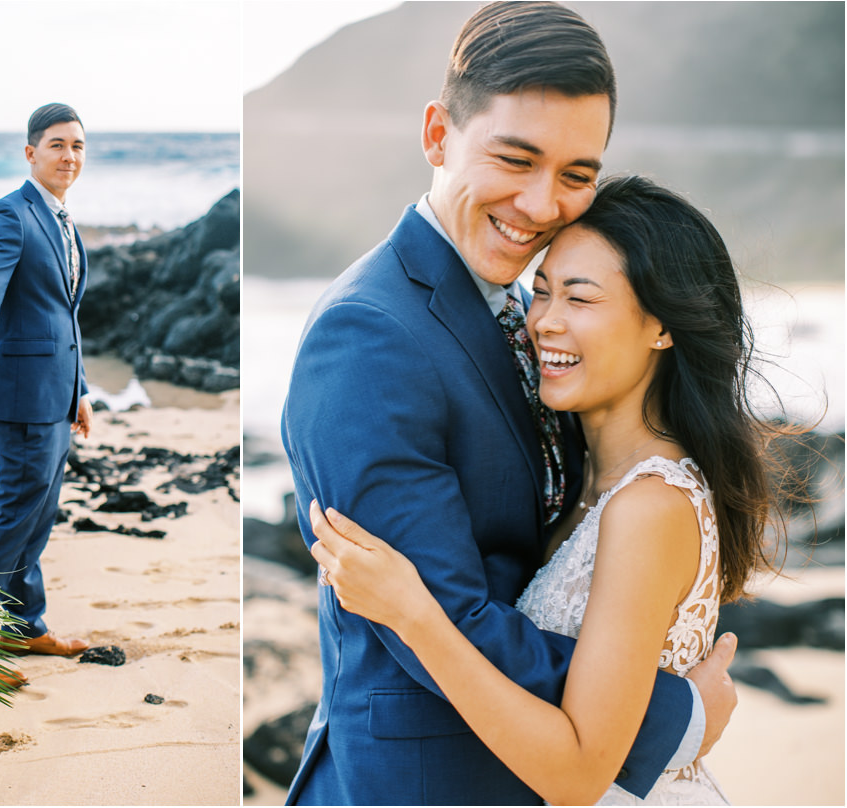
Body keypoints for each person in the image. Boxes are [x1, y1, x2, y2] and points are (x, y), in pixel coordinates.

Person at [279, 3, 737, 805]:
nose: (539, 204)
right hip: (425, 781)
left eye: (575, 175)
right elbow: (436, 617)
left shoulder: (520, 310)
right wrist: (665, 707)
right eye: (514, 159)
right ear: (436, 136)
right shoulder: (369, 335)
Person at [312, 174, 783, 804]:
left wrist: (413, 614)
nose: (545, 322)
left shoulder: (650, 506)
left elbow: (580, 772)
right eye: (540, 292)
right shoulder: (582, 476)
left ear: (663, 327)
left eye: (580, 300)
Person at [0, 102, 94, 661]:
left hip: (57, 396)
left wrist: (79, 389)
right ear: (31, 153)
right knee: (13, 516)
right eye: (57, 144)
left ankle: (21, 625)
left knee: (38, 514)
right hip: (19, 395)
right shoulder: (10, 214)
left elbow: (63, 312)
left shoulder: (62, 219)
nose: (68, 155)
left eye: (77, 146)